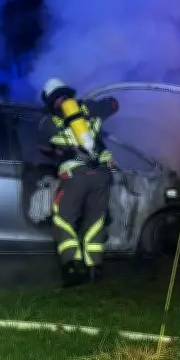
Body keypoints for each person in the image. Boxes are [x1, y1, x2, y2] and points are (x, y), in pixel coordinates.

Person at [37, 78, 120, 287]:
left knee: (63, 220)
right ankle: (95, 268)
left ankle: (72, 267)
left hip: (74, 176)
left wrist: (58, 152)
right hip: (101, 173)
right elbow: (114, 104)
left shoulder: (48, 122)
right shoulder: (89, 108)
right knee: (96, 220)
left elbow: (42, 148)